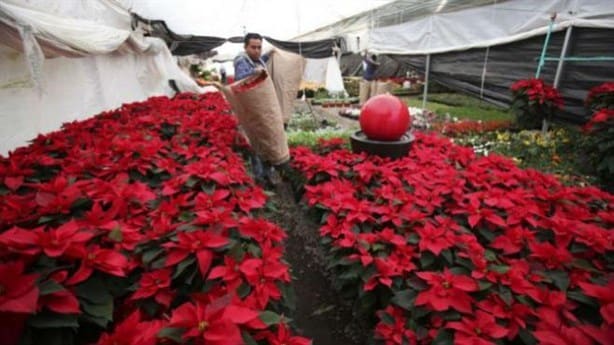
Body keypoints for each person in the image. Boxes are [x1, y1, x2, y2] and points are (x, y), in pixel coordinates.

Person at [232, 33, 290, 188]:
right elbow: (240, 79)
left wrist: (268, 55)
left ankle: (267, 175)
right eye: (253, 47)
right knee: (257, 143)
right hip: (252, 110)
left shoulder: (255, 59)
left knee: (266, 140)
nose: (257, 50)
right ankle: (261, 180)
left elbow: (259, 61)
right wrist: (253, 73)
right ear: (245, 47)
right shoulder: (241, 61)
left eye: (259, 47)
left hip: (261, 108)